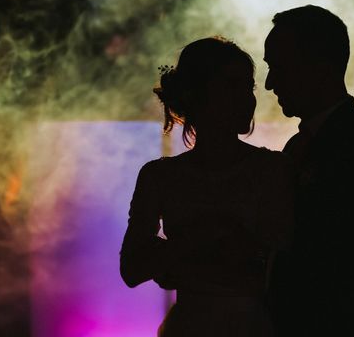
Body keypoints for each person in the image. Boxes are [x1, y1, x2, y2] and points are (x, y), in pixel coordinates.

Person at [120, 37, 293, 337]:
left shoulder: (273, 169)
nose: (248, 98)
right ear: (197, 93)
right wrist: (210, 238)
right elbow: (132, 269)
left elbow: (278, 270)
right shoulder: (159, 175)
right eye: (231, 85)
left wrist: (175, 259)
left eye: (248, 86)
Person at [263, 5, 354, 336]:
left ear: (320, 68)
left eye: (278, 68)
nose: (270, 83)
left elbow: (339, 267)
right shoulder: (303, 147)